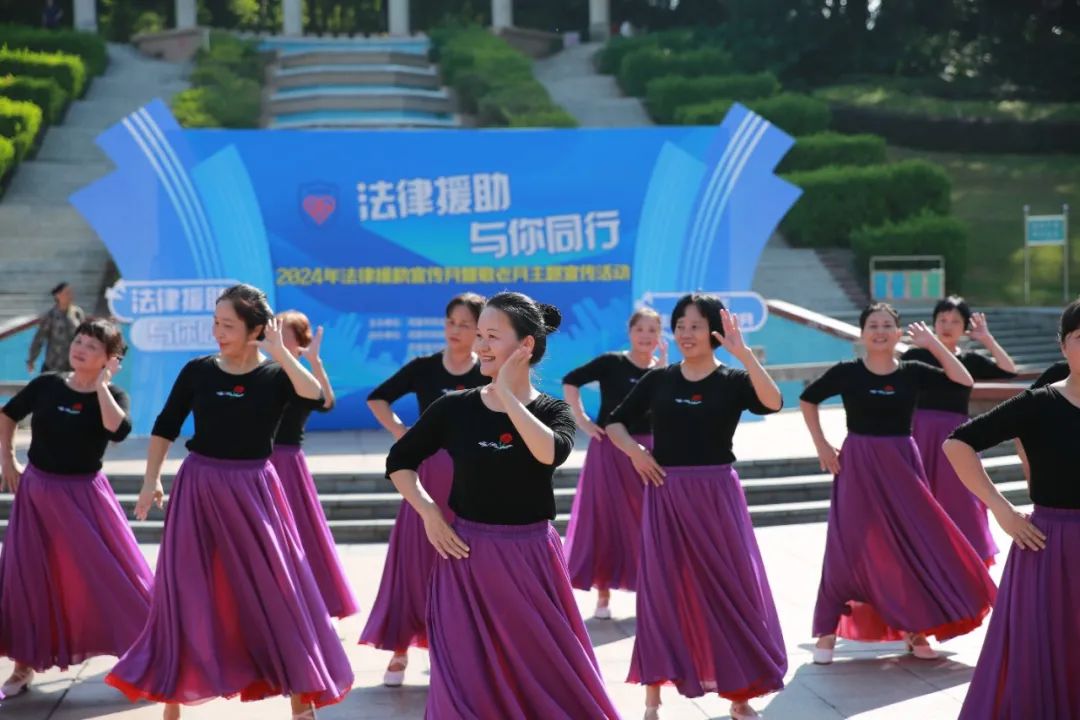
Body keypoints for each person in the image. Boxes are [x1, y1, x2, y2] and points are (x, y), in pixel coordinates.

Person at [105, 284, 352, 720]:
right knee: (185, 590)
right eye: (216, 323)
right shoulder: (198, 370)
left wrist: (282, 352)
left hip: (254, 489)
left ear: (256, 330)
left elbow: (314, 395)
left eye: (228, 325)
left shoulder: (277, 375)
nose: (218, 332)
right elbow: (165, 425)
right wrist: (151, 480)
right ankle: (172, 702)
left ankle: (301, 701)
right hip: (198, 486)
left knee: (279, 590)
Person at [386, 291, 619, 719]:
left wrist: (507, 395)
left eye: (492, 336)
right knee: (466, 678)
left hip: (529, 559)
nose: (480, 346)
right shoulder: (454, 408)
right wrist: (429, 512)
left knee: (544, 675)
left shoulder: (552, 411)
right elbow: (399, 461)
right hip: (465, 559)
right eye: (479, 335)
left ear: (525, 345)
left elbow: (549, 453)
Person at [606, 293, 786, 720]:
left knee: (730, 590)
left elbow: (773, 402)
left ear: (713, 333)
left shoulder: (732, 380)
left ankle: (740, 694)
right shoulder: (659, 380)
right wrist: (636, 453)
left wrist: (745, 355)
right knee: (663, 589)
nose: (686, 334)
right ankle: (653, 698)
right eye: (681, 326)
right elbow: (614, 421)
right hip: (666, 494)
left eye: (696, 326)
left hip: (717, 495)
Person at [802, 303, 996, 664]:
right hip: (858, 462)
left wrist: (933, 344)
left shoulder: (913, 371)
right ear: (862, 334)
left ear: (897, 333)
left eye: (886, 325)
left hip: (902, 462)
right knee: (847, 545)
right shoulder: (847, 372)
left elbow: (964, 380)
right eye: (872, 325)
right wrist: (822, 445)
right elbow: (808, 399)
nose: (879, 331)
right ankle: (827, 631)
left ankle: (915, 629)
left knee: (910, 544)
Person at [944, 299, 1080, 720]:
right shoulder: (1040, 402)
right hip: (1052, 544)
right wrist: (1001, 510)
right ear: (1063, 346)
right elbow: (957, 444)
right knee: (1050, 650)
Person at [0, 319, 151, 697]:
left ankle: (153, 653)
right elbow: (7, 414)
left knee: (116, 575)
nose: (80, 349)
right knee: (28, 578)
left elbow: (118, 430)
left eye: (92, 346)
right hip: (37, 493)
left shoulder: (113, 394)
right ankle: (23, 666)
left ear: (110, 359)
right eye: (79, 341)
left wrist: (100, 385)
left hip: (85, 497)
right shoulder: (47, 384)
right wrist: (8, 459)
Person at [360, 292, 488, 687]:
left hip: (472, 479)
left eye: (465, 324)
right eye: (451, 322)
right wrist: (404, 433)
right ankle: (399, 649)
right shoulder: (424, 368)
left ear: (480, 331)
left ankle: (451, 648)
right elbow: (378, 399)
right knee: (415, 562)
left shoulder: (488, 371)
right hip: (425, 478)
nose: (455, 330)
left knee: (461, 562)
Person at [562, 307, 666, 619]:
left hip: (648, 452)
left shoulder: (663, 371)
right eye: (640, 329)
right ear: (630, 332)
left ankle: (650, 593)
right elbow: (571, 381)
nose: (646, 336)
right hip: (608, 451)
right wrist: (581, 420)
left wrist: (664, 368)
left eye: (652, 330)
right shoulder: (612, 362)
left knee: (648, 522)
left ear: (660, 336)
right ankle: (603, 594)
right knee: (605, 519)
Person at [901, 296, 1016, 564]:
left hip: (957, 437)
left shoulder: (968, 360)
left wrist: (987, 339)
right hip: (922, 434)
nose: (947, 325)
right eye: (942, 320)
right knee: (923, 497)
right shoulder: (916, 356)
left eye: (955, 321)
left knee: (964, 497)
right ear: (933, 323)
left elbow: (1009, 370)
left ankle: (968, 560)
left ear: (965, 327)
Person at [270, 311, 358, 622]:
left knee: (300, 534)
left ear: (300, 341)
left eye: (286, 333)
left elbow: (326, 403)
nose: (278, 336)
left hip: (287, 464)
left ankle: (310, 600)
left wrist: (315, 362)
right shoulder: (265, 372)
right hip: (257, 460)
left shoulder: (303, 379)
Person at [26, 282, 84, 374]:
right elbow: (39, 339)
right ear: (58, 295)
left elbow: (84, 337)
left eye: (70, 293)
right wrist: (32, 360)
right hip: (54, 365)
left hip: (73, 366)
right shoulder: (50, 316)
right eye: (67, 293)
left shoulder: (77, 313)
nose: (70, 296)